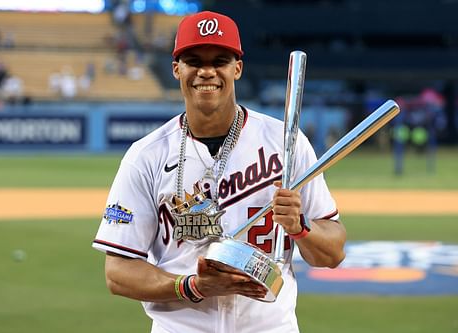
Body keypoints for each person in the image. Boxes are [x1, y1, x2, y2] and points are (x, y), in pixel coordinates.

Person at [92, 10, 346, 333]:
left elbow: (334, 251)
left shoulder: (285, 144)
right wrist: (192, 287)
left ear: (237, 68)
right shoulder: (146, 156)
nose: (206, 72)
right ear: (176, 69)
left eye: (219, 61)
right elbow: (116, 272)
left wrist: (301, 226)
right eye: (194, 61)